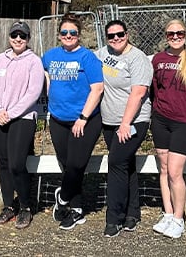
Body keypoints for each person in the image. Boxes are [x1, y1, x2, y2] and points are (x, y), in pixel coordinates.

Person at [43, 13, 104, 231]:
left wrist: (83, 117)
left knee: (77, 164)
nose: (68, 36)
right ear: (59, 35)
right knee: (67, 165)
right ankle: (77, 210)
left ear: (79, 35)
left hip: (85, 120)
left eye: (73, 33)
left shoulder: (87, 58)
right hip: (58, 119)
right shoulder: (49, 56)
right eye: (64, 33)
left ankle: (63, 197)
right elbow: (45, 77)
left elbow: (97, 89)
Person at [149, 19, 186, 239]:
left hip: (183, 123)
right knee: (163, 169)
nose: (175, 36)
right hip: (161, 121)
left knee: (175, 172)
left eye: (179, 33)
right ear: (166, 36)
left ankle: (178, 218)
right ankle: (167, 213)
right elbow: (155, 91)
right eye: (171, 33)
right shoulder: (158, 59)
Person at [96, 20, 152, 238]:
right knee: (126, 165)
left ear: (127, 34)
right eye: (111, 36)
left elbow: (138, 93)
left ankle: (114, 218)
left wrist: (126, 123)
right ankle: (132, 213)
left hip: (132, 122)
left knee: (116, 163)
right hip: (109, 121)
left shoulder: (137, 58)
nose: (116, 39)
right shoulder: (102, 53)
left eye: (119, 34)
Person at [0, 21, 45, 230]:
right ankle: (8, 206)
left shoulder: (34, 61)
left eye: (22, 36)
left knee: (17, 164)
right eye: (14, 35)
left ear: (28, 38)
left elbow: (33, 92)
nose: (18, 39)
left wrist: (11, 113)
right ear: (9, 37)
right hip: (0, 116)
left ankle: (25, 206)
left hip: (22, 118)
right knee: (3, 162)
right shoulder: (0, 59)